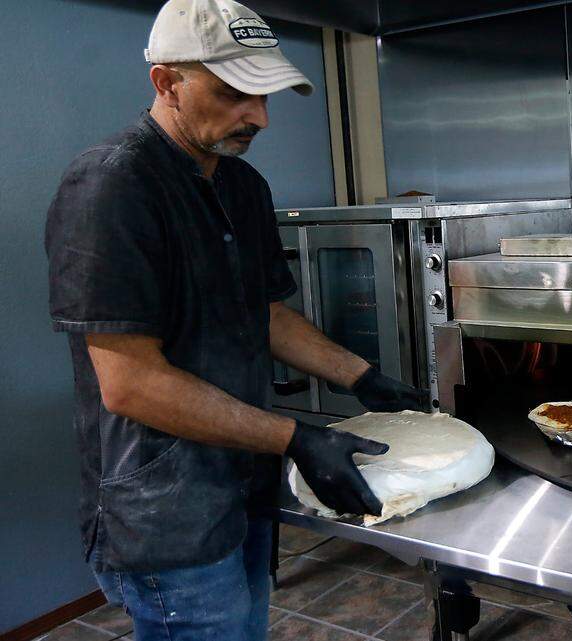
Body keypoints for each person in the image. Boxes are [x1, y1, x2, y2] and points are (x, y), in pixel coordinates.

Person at [44, 1, 428, 638]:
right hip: (166, 508)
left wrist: (360, 377)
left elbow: (267, 313)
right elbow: (129, 383)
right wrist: (295, 438)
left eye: (265, 95)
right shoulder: (112, 187)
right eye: (235, 94)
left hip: (241, 478)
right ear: (167, 83)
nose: (260, 117)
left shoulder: (241, 185)